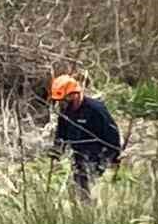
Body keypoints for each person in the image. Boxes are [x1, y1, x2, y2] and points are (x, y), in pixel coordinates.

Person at [48, 73, 122, 201]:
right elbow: (62, 133)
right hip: (79, 156)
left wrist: (109, 160)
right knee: (80, 192)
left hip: (99, 156)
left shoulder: (95, 109)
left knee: (95, 192)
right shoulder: (66, 111)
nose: (62, 105)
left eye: (64, 100)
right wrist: (57, 149)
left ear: (74, 95)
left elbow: (113, 137)